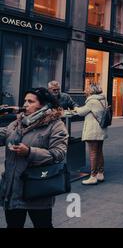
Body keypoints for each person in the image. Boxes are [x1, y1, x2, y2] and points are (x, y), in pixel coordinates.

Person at [0, 88, 68, 228]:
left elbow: (59, 153)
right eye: (25, 100)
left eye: (30, 101)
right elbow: (3, 135)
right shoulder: (18, 123)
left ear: (44, 105)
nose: (25, 104)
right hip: (13, 188)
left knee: (42, 225)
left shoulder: (55, 125)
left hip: (37, 187)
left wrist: (29, 152)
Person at [72, 84, 108, 185]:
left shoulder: (92, 101)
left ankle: (93, 176)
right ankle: (100, 173)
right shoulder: (103, 99)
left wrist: (75, 108)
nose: (85, 91)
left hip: (93, 130)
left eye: (86, 89)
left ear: (91, 91)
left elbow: (81, 112)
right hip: (101, 129)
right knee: (99, 151)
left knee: (93, 153)